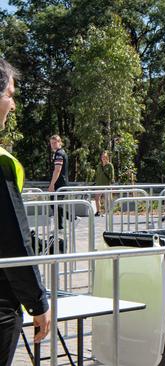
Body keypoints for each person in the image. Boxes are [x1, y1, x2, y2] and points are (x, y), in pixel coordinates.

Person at [0, 58, 51, 366]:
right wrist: (37, 301)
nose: (14, 105)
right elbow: (13, 242)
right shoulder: (2, 162)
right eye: (10, 94)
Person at [48, 134, 68, 229]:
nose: (53, 145)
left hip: (59, 184)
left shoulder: (59, 154)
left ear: (60, 142)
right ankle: (59, 226)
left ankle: (72, 217)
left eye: (55, 142)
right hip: (60, 183)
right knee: (55, 204)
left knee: (54, 204)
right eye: (51, 143)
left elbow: (57, 170)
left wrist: (52, 185)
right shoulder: (60, 153)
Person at [93, 151, 114, 217]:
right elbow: (97, 174)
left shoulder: (110, 165)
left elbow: (112, 175)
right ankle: (98, 211)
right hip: (99, 184)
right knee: (96, 198)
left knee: (106, 199)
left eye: (105, 157)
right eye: (102, 157)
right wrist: (95, 182)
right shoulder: (99, 165)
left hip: (106, 185)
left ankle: (106, 212)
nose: (103, 158)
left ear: (107, 157)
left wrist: (111, 182)